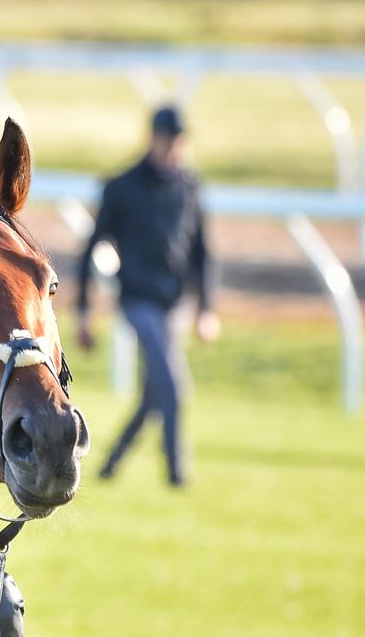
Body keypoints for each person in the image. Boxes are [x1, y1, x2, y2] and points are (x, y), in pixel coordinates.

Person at [76, 105, 220, 488]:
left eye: (179, 141)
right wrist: (84, 312)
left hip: (176, 303)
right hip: (137, 301)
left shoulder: (189, 186)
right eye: (168, 139)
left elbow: (202, 253)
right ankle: (176, 472)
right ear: (153, 138)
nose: (173, 147)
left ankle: (113, 461)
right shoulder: (123, 186)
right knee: (174, 384)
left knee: (155, 392)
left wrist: (206, 309)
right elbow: (91, 247)